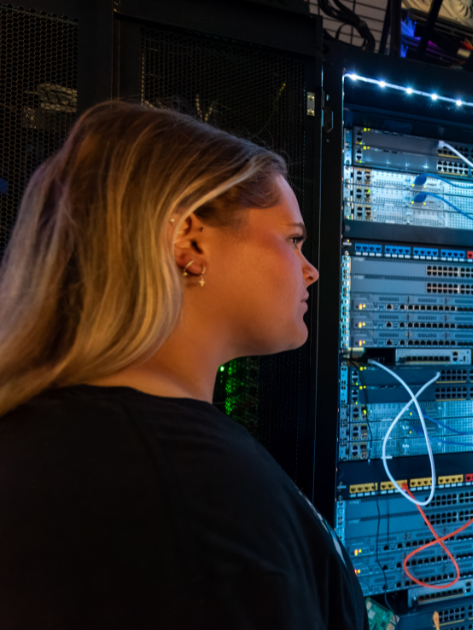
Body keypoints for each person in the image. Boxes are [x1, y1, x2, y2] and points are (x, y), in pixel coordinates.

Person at [0, 102, 367, 629]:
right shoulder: (193, 494)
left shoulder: (54, 434)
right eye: (292, 238)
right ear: (190, 241)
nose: (310, 270)